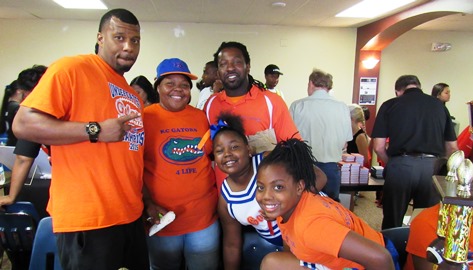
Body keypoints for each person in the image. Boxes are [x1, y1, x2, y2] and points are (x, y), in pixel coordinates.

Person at [12, 9, 149, 269]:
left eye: (135, 40)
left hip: (130, 216)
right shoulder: (73, 68)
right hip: (89, 218)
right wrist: (94, 130)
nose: (128, 47)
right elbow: (23, 123)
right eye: (119, 37)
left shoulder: (130, 93)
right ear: (100, 37)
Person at [255, 138, 397, 270]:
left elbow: (381, 258)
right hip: (360, 253)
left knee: (272, 263)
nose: (266, 196)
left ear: (299, 187)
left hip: (373, 262)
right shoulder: (292, 202)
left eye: (278, 187)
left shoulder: (310, 225)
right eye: (261, 187)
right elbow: (318, 175)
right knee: (273, 262)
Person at [211, 112, 327, 269]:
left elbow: (320, 176)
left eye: (235, 147)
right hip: (280, 247)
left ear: (248, 149)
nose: (227, 154)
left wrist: (286, 206)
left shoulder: (268, 161)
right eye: (219, 151)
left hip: (315, 229)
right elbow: (232, 245)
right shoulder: (227, 199)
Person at [143, 58, 219, 270]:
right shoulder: (143, 119)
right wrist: (147, 202)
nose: (178, 89)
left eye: (184, 85)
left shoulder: (201, 118)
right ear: (157, 87)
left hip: (203, 220)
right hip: (161, 220)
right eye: (170, 83)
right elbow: (132, 168)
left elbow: (214, 156)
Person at [204, 41, 300, 189]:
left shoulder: (271, 102)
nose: (230, 68)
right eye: (223, 64)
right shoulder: (211, 104)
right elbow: (208, 151)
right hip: (226, 197)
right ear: (218, 71)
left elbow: (295, 150)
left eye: (236, 62)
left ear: (247, 66)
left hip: (265, 197)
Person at [372, 75, 458, 230]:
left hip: (401, 166)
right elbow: (452, 147)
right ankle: (417, 252)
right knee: (425, 221)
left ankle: (392, 252)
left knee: (392, 219)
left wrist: (392, 163)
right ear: (419, 86)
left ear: (398, 91)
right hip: (432, 169)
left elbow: (378, 146)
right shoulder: (440, 107)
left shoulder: (390, 105)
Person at [290, 68, 352, 201]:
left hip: (304, 166)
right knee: (330, 206)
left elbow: (289, 138)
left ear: (311, 83)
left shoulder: (297, 106)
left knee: (304, 204)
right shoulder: (342, 107)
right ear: (328, 88)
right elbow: (345, 143)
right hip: (331, 167)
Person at [347, 104, 371, 168]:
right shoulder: (350, 133)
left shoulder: (360, 137)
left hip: (357, 171)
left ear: (352, 119)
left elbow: (365, 160)